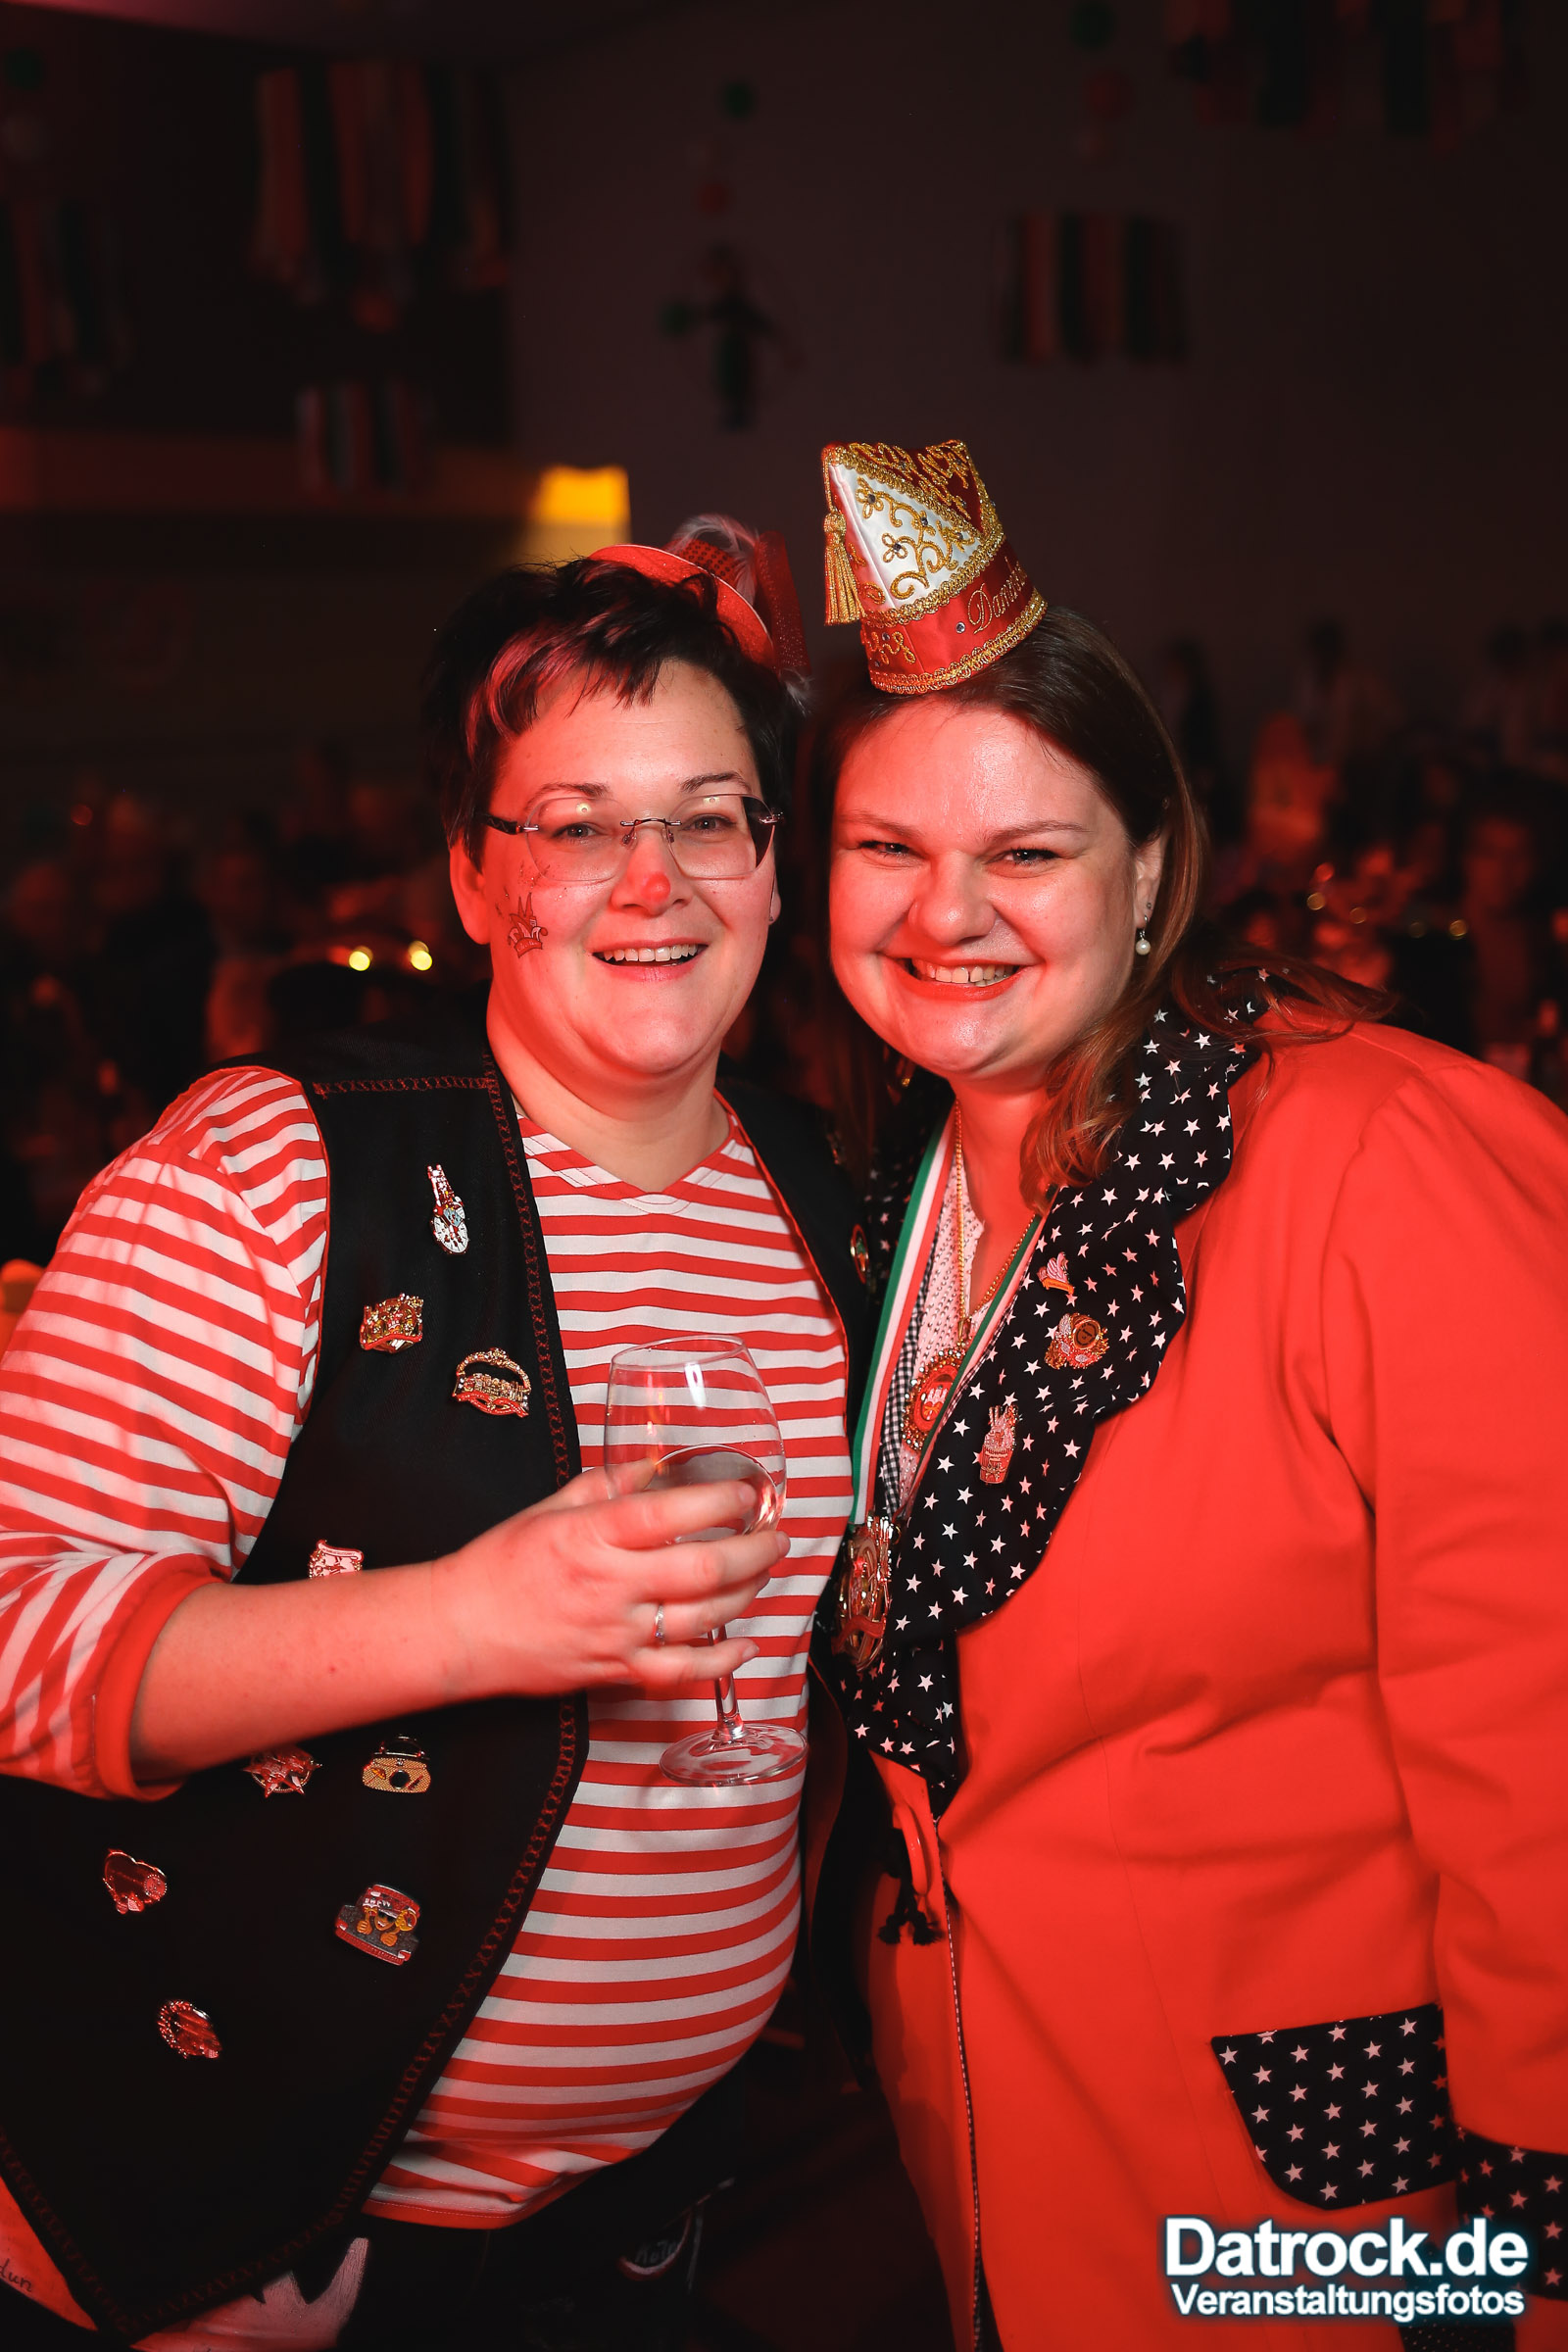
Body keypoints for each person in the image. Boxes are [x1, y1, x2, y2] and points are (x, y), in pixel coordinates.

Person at [0, 524, 867, 2351]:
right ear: (474, 876)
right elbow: (15, 1634)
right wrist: (473, 1619)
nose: (655, 881)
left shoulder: (828, 1204)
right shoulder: (272, 1170)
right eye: (577, 825)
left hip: (641, 2229)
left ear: (775, 865)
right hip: (251, 2245)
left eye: (709, 818)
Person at [805, 437, 1568, 2352]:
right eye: (886, 849)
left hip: (1327, 2217)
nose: (944, 913)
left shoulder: (1376, 1154)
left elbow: (1547, 1776)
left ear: (1149, 866)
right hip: (997, 2173)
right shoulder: (901, 1183)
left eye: (1025, 853)